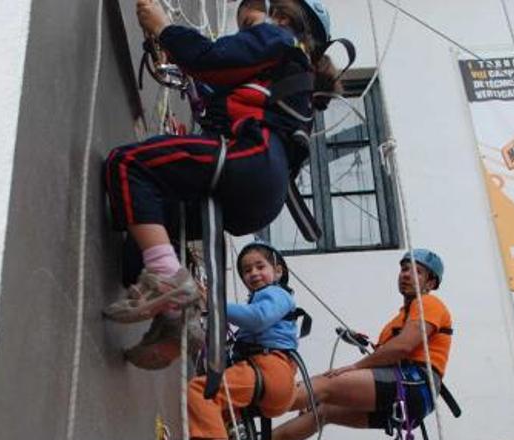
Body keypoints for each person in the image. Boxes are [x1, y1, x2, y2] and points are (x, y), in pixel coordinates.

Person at [102, 0, 341, 324]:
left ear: (281, 16)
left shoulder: (278, 38)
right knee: (144, 228)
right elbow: (212, 87)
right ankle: (172, 320)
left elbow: (210, 60)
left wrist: (164, 28)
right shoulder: (290, 79)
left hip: (251, 158)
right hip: (261, 195)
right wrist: (171, 52)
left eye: (248, 27)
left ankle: (171, 284)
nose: (243, 37)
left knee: (129, 163)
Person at [270, 249, 454, 440]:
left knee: (324, 384)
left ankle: (258, 402)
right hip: (411, 395)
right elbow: (394, 352)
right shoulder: (403, 317)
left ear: (431, 283)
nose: (406, 274)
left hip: (413, 384)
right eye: (404, 269)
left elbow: (402, 347)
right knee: (322, 411)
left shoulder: (429, 302)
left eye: (417, 272)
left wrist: (355, 367)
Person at [187, 242, 301, 440]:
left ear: (278, 271)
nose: (254, 273)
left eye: (260, 266)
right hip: (272, 382)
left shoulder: (277, 294)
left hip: (271, 369)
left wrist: (214, 302)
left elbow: (257, 318)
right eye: (247, 271)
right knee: (219, 410)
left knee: (201, 391)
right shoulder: (262, 300)